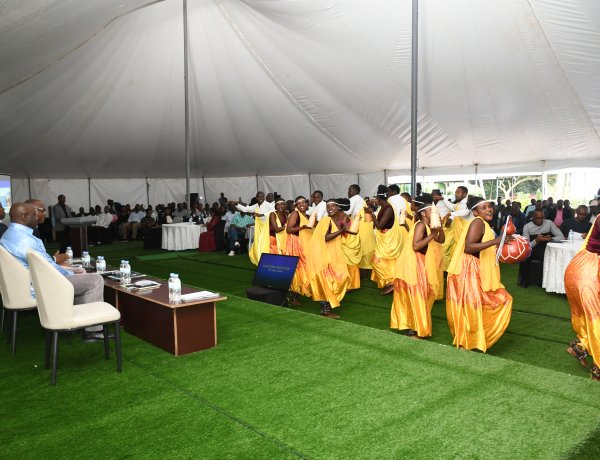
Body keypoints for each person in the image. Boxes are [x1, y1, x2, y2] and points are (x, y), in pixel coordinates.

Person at [1, 202, 106, 339]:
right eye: (34, 215)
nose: (37, 217)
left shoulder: (8, 234)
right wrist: (71, 272)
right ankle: (93, 331)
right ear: (24, 216)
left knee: (79, 276)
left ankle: (81, 322)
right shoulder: (26, 240)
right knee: (95, 280)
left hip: (19, 287)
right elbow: (47, 268)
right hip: (38, 286)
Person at [446, 196, 513, 352]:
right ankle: (468, 341)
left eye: (489, 206)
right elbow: (469, 247)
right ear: (475, 212)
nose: (489, 209)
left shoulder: (483, 224)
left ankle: (472, 340)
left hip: (474, 268)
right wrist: (496, 241)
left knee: (475, 305)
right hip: (469, 269)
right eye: (483, 208)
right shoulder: (478, 222)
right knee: (474, 304)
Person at [392, 195, 445, 339]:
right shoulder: (421, 225)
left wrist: (439, 228)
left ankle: (415, 326)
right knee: (418, 296)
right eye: (431, 210)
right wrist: (432, 235)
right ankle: (416, 329)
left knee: (424, 295)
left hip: (422, 264)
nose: (435, 213)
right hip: (414, 265)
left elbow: (441, 240)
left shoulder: (429, 226)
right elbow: (415, 246)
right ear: (423, 213)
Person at [564, 216, 600, 380]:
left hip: (581, 270)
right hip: (588, 273)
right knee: (596, 319)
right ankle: (598, 369)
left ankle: (581, 346)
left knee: (588, 316)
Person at [307, 199, 351, 318]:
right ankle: (326, 310)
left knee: (341, 277)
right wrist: (341, 231)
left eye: (333, 206)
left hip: (333, 255)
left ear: (338, 207)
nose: (330, 208)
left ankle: (327, 306)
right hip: (324, 255)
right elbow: (325, 237)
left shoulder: (336, 219)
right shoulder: (326, 220)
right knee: (327, 281)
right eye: (328, 206)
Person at [365, 185, 400, 295]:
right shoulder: (384, 207)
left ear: (379, 199)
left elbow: (379, 225)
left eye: (377, 199)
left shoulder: (388, 208)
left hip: (388, 239)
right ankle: (390, 282)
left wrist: (371, 213)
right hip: (383, 238)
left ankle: (393, 282)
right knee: (385, 262)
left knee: (378, 261)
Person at [519, 209, 564, 287]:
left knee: (547, 257)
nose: (540, 220)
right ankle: (524, 281)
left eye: (542, 218)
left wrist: (551, 238)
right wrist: (536, 240)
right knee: (524, 257)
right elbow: (527, 246)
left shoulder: (549, 223)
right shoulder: (527, 227)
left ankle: (543, 282)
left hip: (545, 248)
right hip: (532, 249)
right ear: (532, 217)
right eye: (537, 218)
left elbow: (561, 237)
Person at [285, 196, 313, 303]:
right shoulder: (295, 214)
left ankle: (303, 290)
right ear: (296, 205)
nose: (301, 204)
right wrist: (303, 227)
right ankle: (294, 295)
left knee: (306, 268)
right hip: (296, 244)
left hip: (306, 244)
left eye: (303, 202)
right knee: (298, 269)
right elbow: (289, 229)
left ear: (307, 203)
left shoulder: (308, 215)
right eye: (299, 203)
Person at [235, 192, 275, 265]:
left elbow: (273, 211)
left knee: (266, 243)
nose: (260, 198)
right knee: (259, 242)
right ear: (256, 198)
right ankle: (261, 258)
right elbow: (246, 209)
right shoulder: (256, 205)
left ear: (264, 197)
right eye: (259, 197)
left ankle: (268, 259)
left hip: (268, 226)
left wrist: (261, 215)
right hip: (259, 227)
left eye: (262, 196)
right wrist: (237, 204)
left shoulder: (268, 204)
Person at [441, 186, 470, 270]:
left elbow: (465, 212)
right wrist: (443, 199)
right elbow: (452, 207)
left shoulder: (466, 203)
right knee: (453, 252)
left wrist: (451, 214)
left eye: (458, 192)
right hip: (457, 232)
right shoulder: (459, 203)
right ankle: (450, 270)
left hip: (464, 233)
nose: (456, 194)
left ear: (464, 194)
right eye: (456, 192)